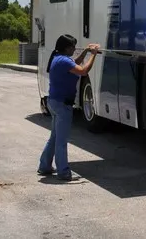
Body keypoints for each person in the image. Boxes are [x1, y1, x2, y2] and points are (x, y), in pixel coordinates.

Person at [37, 34, 100, 181]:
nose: (74, 49)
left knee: (54, 137)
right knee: (61, 140)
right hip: (62, 105)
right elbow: (83, 70)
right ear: (67, 48)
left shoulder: (58, 59)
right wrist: (94, 55)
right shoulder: (64, 61)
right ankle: (63, 171)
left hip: (54, 102)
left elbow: (75, 64)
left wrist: (85, 51)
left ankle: (45, 166)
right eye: (73, 47)